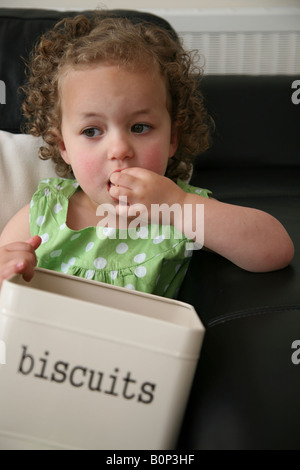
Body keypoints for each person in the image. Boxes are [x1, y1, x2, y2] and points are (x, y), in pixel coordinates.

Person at [0, 13, 294, 297]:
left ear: (172, 140)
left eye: (139, 127)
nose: (119, 150)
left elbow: (274, 250)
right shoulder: (42, 214)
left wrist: (178, 205)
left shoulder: (178, 211)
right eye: (92, 131)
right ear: (63, 146)